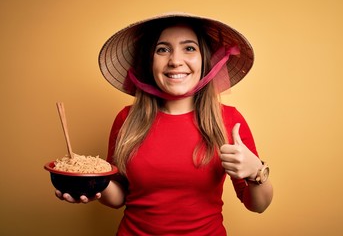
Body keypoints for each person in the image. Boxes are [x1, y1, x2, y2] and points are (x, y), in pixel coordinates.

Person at [55, 12, 273, 235]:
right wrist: (90, 184)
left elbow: (258, 205)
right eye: (163, 49)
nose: (175, 61)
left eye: (189, 48)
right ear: (150, 62)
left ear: (205, 60)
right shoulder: (126, 119)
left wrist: (256, 172)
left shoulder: (229, 120)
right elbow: (119, 196)